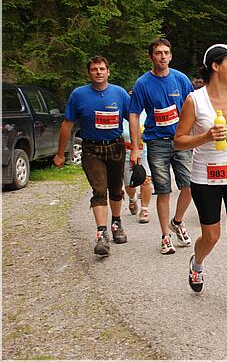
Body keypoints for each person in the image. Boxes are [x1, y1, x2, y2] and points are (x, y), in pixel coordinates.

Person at [174, 43, 227, 316]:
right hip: (205, 176)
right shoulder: (194, 100)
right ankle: (197, 262)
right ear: (215, 66)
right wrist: (205, 137)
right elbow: (179, 141)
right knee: (211, 236)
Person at [53, 56, 130, 257]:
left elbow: (133, 117)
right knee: (98, 189)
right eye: (94, 69)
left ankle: (116, 223)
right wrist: (60, 153)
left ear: (108, 72)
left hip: (116, 147)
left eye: (102, 69)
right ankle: (101, 233)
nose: (98, 72)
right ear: (89, 73)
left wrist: (138, 145)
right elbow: (67, 125)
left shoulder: (119, 93)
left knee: (115, 189)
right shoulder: (79, 95)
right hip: (91, 149)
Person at [129, 38, 194, 255]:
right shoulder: (142, 83)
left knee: (189, 186)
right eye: (158, 53)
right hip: (157, 142)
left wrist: (197, 137)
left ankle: (177, 221)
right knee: (163, 190)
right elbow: (134, 114)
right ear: (151, 57)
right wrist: (136, 147)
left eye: (166, 52)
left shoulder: (181, 79)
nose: (163, 56)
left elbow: (193, 108)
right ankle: (165, 236)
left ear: (171, 55)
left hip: (181, 140)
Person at [123, 110, 153, 223]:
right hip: (126, 154)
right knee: (129, 184)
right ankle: (132, 198)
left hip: (144, 153)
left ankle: (144, 209)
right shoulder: (123, 113)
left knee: (146, 180)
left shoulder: (146, 112)